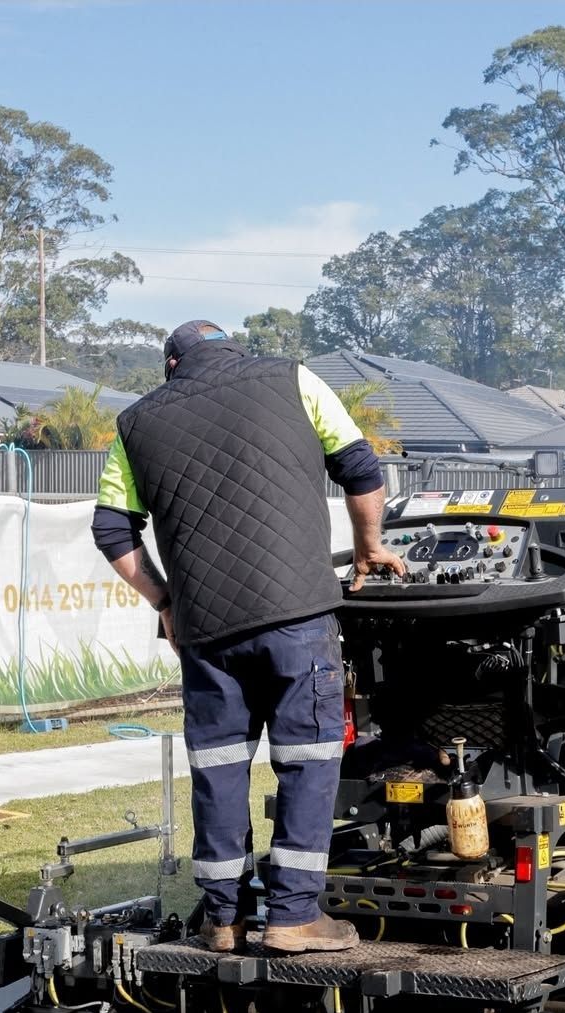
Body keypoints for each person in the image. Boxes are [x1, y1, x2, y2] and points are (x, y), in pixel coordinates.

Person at [91, 319, 404, 954]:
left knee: (220, 770)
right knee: (308, 763)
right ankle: (292, 916)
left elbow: (111, 530)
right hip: (298, 617)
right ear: (232, 348)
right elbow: (362, 471)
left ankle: (223, 921)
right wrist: (369, 548)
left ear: (172, 365)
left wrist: (165, 602)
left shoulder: (135, 423)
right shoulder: (292, 378)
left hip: (206, 630)